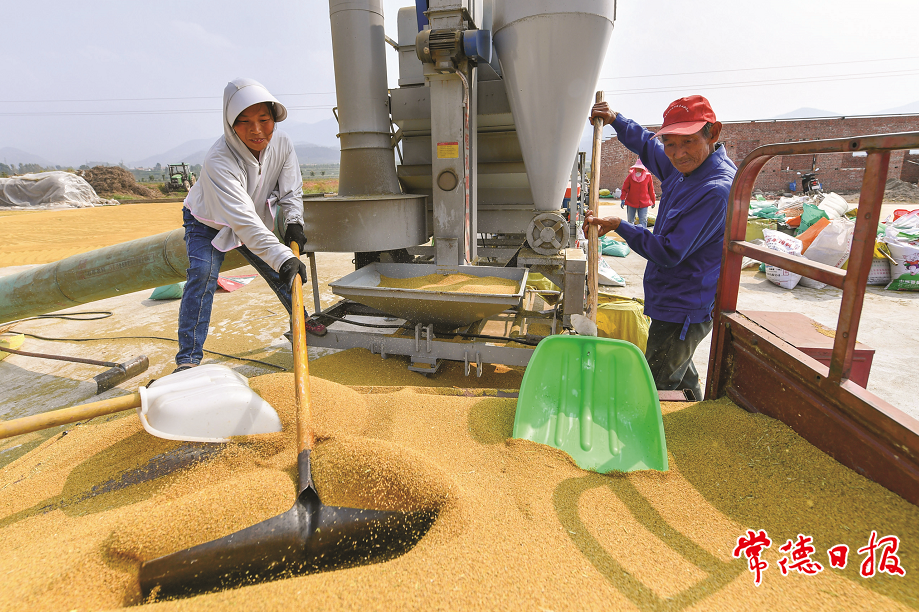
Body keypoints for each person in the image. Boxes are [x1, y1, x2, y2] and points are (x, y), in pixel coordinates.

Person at [583, 95, 736, 401]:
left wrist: (620, 225)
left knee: (657, 387)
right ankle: (694, 415)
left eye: (688, 141)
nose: (678, 153)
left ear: (713, 134)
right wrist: (616, 119)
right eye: (670, 143)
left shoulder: (714, 190)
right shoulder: (686, 168)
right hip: (672, 298)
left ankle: (661, 428)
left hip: (683, 307)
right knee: (680, 372)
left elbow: (669, 252)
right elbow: (647, 145)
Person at [174, 78, 326, 374]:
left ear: (274, 118)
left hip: (251, 218)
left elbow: (291, 191)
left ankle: (301, 319)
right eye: (244, 122)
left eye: (263, 120)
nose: (256, 130)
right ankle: (188, 360)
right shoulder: (219, 159)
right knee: (203, 275)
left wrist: (294, 222)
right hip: (208, 222)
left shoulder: (282, 144)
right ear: (230, 124)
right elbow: (242, 220)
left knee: (280, 270)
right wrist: (283, 256)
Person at [619, 159, 656, 228]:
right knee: (630, 221)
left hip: (644, 202)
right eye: (637, 168)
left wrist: (653, 201)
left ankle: (643, 234)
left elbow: (651, 190)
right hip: (631, 202)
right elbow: (624, 188)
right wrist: (622, 199)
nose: (639, 169)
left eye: (640, 168)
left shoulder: (648, 177)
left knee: (643, 220)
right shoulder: (630, 176)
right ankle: (630, 233)